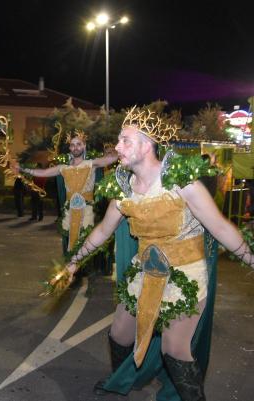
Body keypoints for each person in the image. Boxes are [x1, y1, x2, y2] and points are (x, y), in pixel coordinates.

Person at [62, 107, 254, 400]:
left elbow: (220, 228)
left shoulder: (182, 182)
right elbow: (102, 231)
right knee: (119, 335)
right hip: (146, 271)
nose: (117, 147)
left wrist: (251, 259)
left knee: (174, 349)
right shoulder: (123, 188)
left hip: (185, 272)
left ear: (147, 144)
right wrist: (73, 263)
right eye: (118, 140)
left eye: (125, 140)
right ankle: (124, 377)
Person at [14, 130, 117, 252]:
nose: (76, 147)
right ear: (69, 148)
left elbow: (112, 159)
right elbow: (42, 173)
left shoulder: (92, 164)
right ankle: (72, 268)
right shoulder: (63, 168)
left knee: (86, 244)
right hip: (70, 212)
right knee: (71, 245)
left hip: (87, 212)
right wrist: (21, 168)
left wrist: (120, 149)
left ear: (84, 146)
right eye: (72, 145)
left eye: (79, 144)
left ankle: (82, 268)